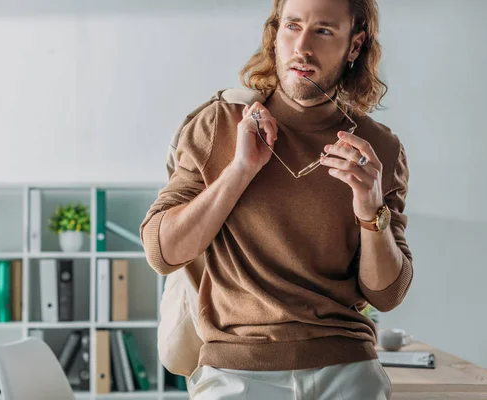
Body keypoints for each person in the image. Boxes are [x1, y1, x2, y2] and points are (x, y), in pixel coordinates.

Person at [140, 0, 413, 398]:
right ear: (275, 32)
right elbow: (162, 253)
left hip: (347, 364)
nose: (302, 47)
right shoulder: (219, 122)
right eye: (292, 26)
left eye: (323, 31)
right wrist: (240, 170)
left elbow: (387, 294)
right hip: (235, 369)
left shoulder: (381, 149)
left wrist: (371, 211)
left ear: (354, 46)